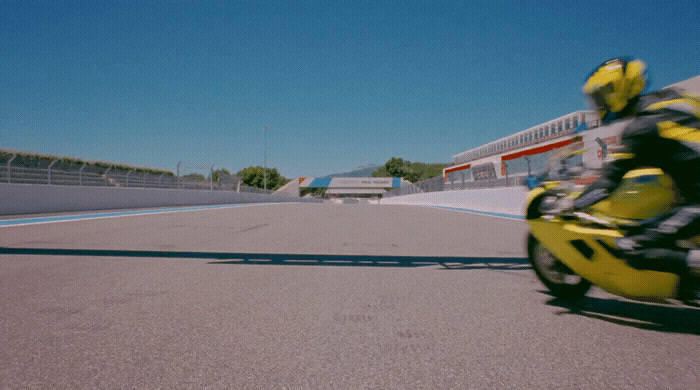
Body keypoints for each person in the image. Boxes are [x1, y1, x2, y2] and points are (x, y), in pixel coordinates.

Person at [571, 58, 700, 301]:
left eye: (602, 96)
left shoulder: (641, 128)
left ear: (619, 90)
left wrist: (572, 205)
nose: (599, 104)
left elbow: (609, 180)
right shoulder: (678, 100)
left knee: (631, 246)